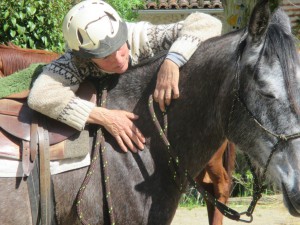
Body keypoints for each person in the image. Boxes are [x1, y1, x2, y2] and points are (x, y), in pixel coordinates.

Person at [28, 0, 222, 153]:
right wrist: (104, 117)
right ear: (87, 57)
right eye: (105, 56)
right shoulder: (76, 60)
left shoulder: (139, 35)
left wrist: (172, 61)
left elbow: (208, 22)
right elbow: (40, 95)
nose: (118, 59)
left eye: (119, 47)